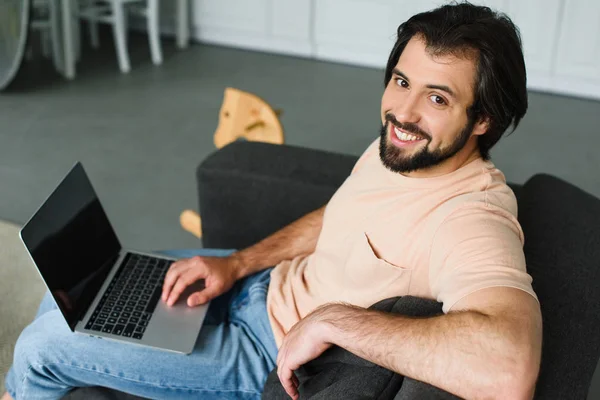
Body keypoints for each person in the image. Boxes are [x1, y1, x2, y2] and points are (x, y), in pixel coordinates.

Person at [2, 2, 542, 399]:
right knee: (81, 296)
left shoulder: (472, 218)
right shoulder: (402, 148)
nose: (403, 112)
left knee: (41, 348)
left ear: (483, 120)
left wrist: (332, 320)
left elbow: (509, 367)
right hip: (257, 288)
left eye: (438, 97)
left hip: (259, 354)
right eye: (402, 81)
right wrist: (238, 263)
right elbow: (341, 218)